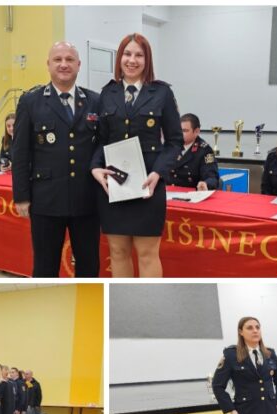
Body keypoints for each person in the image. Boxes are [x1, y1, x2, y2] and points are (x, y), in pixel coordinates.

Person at [91, 33, 183, 278]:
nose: (132, 60)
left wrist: (158, 172)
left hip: (147, 184)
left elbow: (174, 141)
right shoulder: (107, 93)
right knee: (118, 252)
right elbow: (101, 140)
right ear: (119, 58)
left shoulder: (162, 93)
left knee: (147, 253)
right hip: (115, 185)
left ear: (147, 59)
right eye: (127, 54)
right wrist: (95, 167)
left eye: (139, 55)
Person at [12, 42, 102, 278]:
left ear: (79, 65)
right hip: (46, 200)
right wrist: (21, 196)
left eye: (70, 60)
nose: (64, 64)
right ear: (48, 64)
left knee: (89, 266)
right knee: (45, 267)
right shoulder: (30, 102)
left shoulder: (94, 101)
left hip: (87, 199)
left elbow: (103, 147)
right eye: (58, 59)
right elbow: (20, 152)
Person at [169, 114, 219, 191]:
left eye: (185, 131)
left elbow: (212, 177)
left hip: (191, 195)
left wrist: (205, 184)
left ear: (196, 131)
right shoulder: (170, 146)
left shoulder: (204, 150)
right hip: (168, 193)